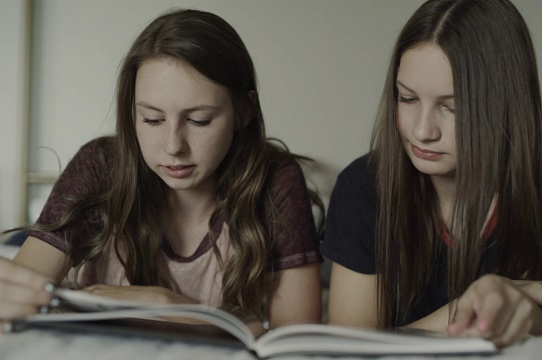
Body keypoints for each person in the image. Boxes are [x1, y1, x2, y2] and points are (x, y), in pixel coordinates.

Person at [320, 0, 542, 347]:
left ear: (506, 104)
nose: (422, 131)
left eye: (453, 107)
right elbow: (349, 347)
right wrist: (468, 306)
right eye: (407, 98)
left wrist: (515, 304)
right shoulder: (362, 188)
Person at [0, 9, 322, 329]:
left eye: (199, 120)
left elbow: (294, 344)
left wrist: (164, 303)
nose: (173, 146)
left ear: (244, 112)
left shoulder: (276, 180)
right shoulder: (100, 165)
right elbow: (18, 297)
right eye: (152, 119)